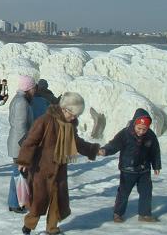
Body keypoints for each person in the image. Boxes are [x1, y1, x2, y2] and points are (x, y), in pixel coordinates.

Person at [18, 92, 100, 235]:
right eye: (72, 113)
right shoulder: (45, 120)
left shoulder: (70, 126)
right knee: (39, 200)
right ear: (63, 108)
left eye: (76, 115)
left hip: (60, 168)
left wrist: (92, 150)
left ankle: (52, 228)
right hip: (41, 168)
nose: (73, 117)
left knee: (57, 201)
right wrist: (24, 160)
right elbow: (30, 141)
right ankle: (29, 225)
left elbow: (76, 142)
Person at [98, 108, 161, 223]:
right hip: (128, 170)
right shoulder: (125, 133)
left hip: (144, 170)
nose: (141, 131)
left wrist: (156, 165)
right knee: (124, 192)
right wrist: (105, 150)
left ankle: (145, 214)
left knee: (146, 192)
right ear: (134, 124)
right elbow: (114, 144)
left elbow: (155, 151)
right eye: (139, 128)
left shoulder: (150, 135)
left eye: (144, 129)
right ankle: (118, 213)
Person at [7, 75, 36, 214]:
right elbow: (20, 127)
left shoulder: (19, 100)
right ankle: (14, 203)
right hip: (20, 145)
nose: (35, 91)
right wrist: (26, 147)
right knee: (18, 173)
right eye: (33, 88)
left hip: (17, 143)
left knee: (19, 173)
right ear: (28, 88)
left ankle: (17, 201)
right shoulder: (22, 103)